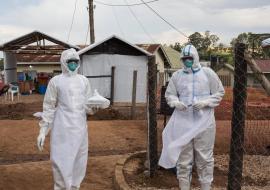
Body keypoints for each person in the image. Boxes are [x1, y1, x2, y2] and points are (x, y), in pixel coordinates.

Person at [159, 44, 225, 190]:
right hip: (183, 121)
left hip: (205, 121)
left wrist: (206, 102)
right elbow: (169, 94)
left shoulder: (208, 73)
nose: (187, 60)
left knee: (205, 158)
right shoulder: (177, 76)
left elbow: (219, 92)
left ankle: (206, 187)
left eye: (190, 58)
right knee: (184, 159)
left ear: (195, 57)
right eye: (185, 58)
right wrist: (176, 102)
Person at [37, 48, 99, 190]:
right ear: (63, 62)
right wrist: (43, 130)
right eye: (69, 61)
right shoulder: (56, 81)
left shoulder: (83, 81)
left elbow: (87, 106)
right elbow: (49, 106)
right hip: (62, 128)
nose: (72, 64)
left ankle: (74, 187)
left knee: (79, 161)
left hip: (80, 128)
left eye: (75, 61)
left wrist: (94, 108)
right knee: (61, 160)